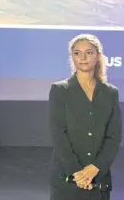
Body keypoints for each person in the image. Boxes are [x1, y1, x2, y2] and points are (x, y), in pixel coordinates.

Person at [49, 34, 122, 200]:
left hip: (99, 180)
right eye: (77, 53)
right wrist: (78, 173)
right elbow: (58, 135)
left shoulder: (110, 93)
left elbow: (114, 136)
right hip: (67, 180)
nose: (82, 58)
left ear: (98, 56)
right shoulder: (60, 90)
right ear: (72, 57)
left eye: (88, 52)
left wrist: (95, 168)